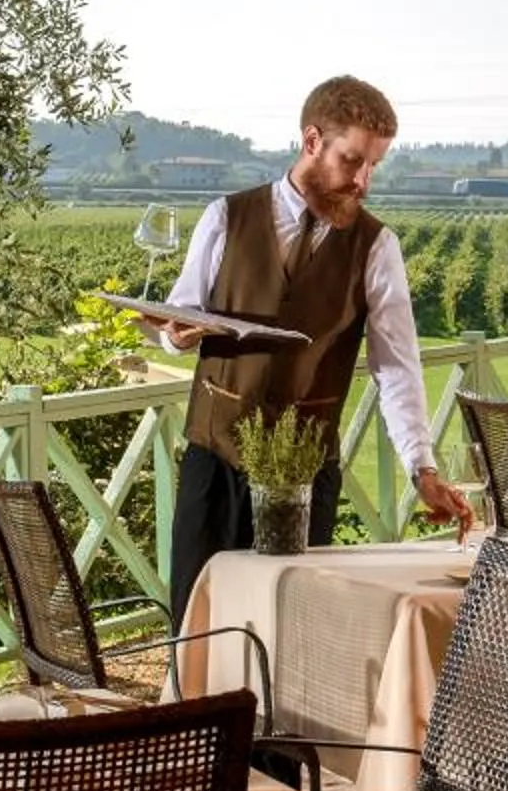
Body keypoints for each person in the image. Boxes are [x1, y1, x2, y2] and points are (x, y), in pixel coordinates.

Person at [149, 75, 470, 615]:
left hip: (306, 470)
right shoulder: (225, 217)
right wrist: (174, 335)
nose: (364, 181)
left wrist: (422, 467)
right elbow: (179, 317)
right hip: (215, 461)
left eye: (374, 166)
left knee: (293, 631)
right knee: (199, 620)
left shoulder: (376, 246)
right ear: (312, 141)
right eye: (352, 161)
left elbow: (397, 367)